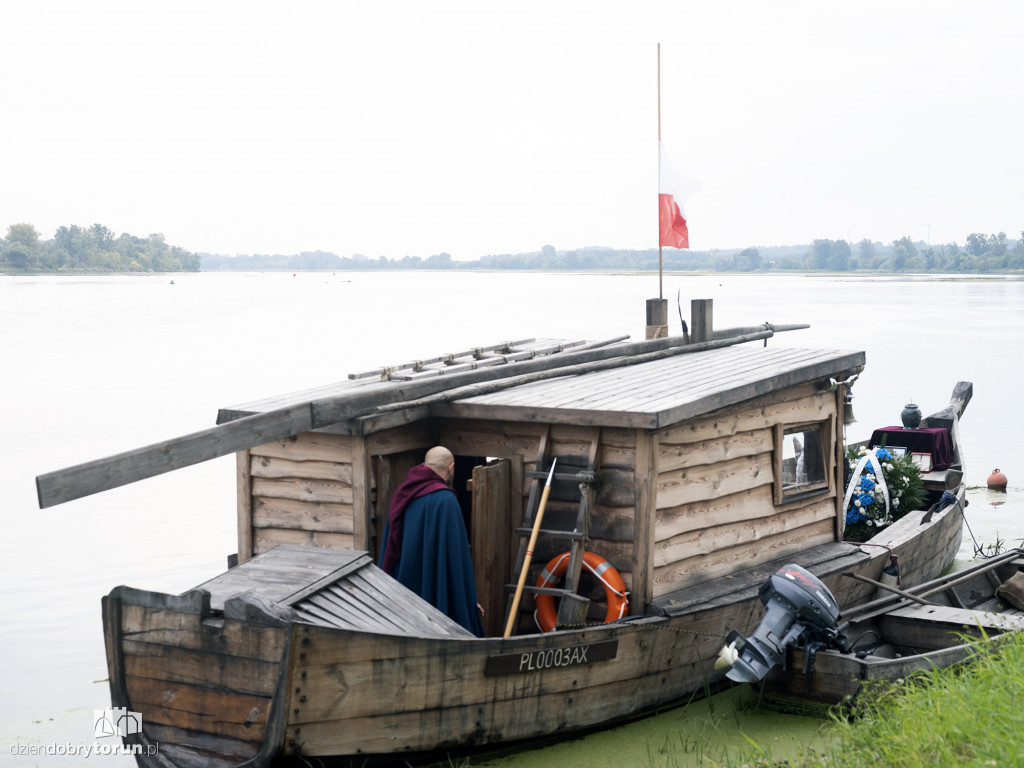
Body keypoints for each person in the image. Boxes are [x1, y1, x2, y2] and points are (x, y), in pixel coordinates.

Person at [379, 446, 485, 636]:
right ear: (451, 468)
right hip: (436, 596)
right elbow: (456, 557)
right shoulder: (446, 501)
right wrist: (468, 600)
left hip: (405, 592)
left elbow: (391, 546)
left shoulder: (402, 495)